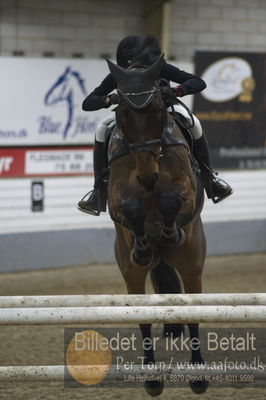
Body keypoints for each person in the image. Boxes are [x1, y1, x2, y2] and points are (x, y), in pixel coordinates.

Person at [78, 35, 232, 215]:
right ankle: (98, 191)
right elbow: (88, 102)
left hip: (162, 109)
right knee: (101, 129)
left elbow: (199, 82)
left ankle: (209, 179)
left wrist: (177, 90)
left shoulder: (159, 67)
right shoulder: (118, 73)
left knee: (193, 122)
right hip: (131, 115)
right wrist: (108, 99)